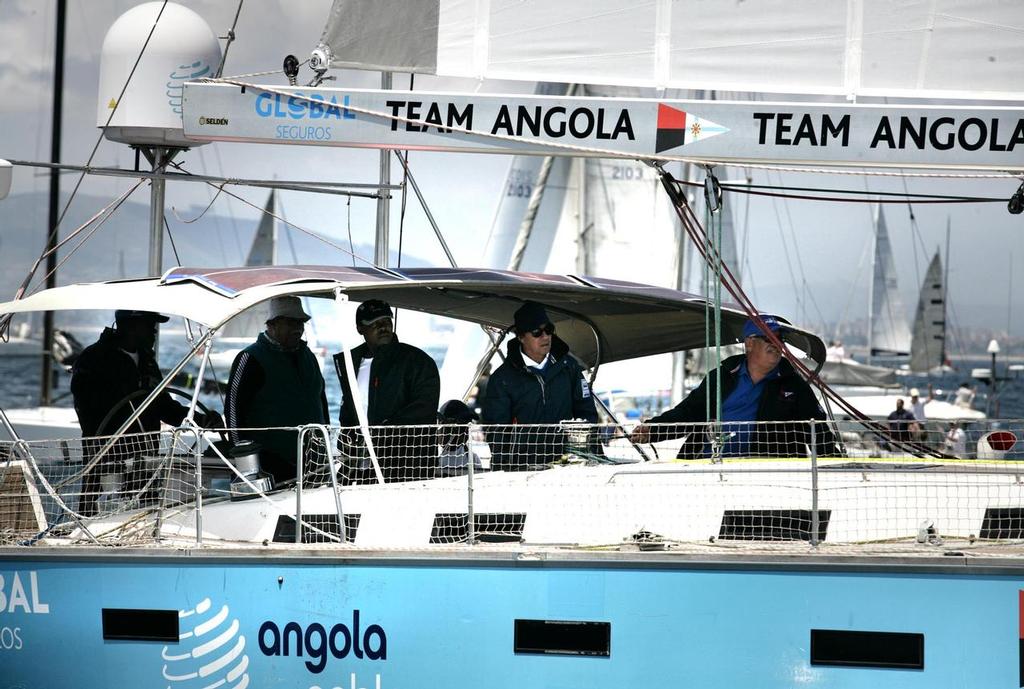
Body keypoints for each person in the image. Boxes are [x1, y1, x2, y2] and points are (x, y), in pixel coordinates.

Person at [71, 310, 219, 516]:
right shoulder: (94, 358)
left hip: (145, 460)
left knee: (144, 515)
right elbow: (88, 409)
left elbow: (164, 406)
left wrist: (200, 419)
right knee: (98, 515)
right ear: (129, 326)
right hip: (106, 460)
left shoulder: (147, 360)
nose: (154, 333)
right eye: (149, 326)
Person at [631, 314, 837, 459]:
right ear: (749, 343)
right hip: (707, 466)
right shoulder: (722, 377)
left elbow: (818, 432)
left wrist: (839, 465)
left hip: (766, 473)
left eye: (780, 339)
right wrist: (652, 430)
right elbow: (688, 413)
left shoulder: (794, 385)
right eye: (768, 338)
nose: (776, 344)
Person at [482, 301, 599, 470]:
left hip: (568, 466)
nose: (545, 336)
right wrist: (506, 468)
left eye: (549, 330)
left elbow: (587, 413)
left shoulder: (569, 367)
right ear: (521, 337)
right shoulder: (502, 378)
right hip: (521, 470)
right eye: (537, 332)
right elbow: (496, 431)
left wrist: (589, 455)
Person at [333, 299, 440, 482]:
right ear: (360, 329)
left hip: (406, 467)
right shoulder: (349, 363)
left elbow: (424, 409)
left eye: (386, 321)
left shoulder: (418, 361)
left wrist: (380, 433)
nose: (383, 327)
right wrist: (348, 446)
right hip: (360, 466)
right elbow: (349, 411)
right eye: (374, 323)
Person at [225, 296, 329, 485]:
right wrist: (244, 460)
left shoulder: (309, 357)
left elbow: (320, 401)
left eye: (300, 322)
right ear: (272, 324)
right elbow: (233, 411)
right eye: (290, 322)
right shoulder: (250, 358)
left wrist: (326, 443)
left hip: (313, 461)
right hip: (269, 462)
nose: (298, 328)